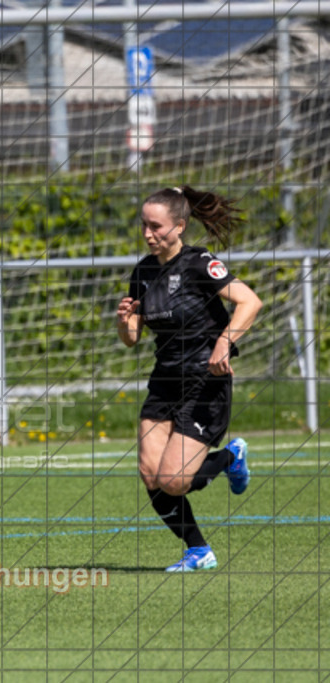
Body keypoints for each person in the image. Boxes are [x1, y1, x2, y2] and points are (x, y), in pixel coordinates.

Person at [116, 186, 263, 572]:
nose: (148, 233)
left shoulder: (199, 263)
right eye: (144, 225)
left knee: (174, 480)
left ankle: (230, 457)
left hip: (205, 380)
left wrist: (224, 341)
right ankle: (199, 550)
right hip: (165, 381)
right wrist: (125, 321)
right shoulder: (143, 272)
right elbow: (131, 339)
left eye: (157, 226)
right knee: (151, 474)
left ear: (179, 226)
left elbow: (250, 301)